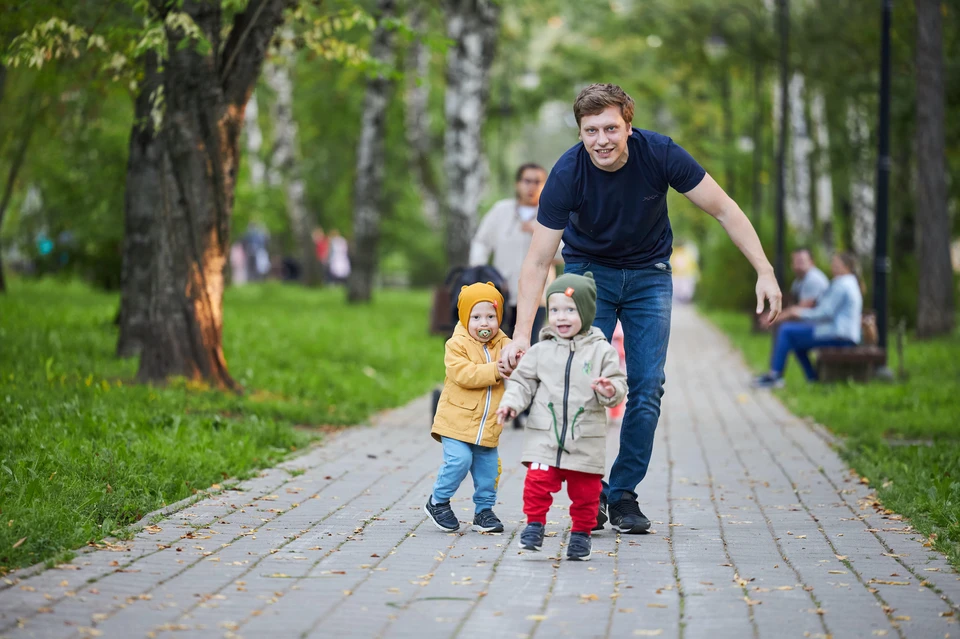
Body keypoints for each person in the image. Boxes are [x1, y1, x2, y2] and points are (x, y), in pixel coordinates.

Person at [499, 83, 782, 534]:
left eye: (611, 128)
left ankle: (622, 494)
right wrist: (520, 336)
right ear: (580, 133)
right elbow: (536, 262)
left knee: (647, 385)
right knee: (578, 380)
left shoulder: (660, 154)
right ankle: (588, 489)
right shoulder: (568, 172)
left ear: (629, 125)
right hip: (589, 273)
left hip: (650, 274)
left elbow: (725, 210)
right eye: (590, 131)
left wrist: (764, 270)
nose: (601, 140)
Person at [496, 272, 627, 561]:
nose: (560, 317)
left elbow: (618, 386)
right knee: (536, 484)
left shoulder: (602, 352)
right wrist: (510, 404)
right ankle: (534, 525)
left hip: (585, 437)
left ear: (586, 312)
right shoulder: (540, 351)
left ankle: (581, 534)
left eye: (570, 310)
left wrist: (608, 389)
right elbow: (522, 383)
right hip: (545, 434)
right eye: (554, 310)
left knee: (586, 495)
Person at [425, 282, 512, 534]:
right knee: (459, 461)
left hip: (487, 424)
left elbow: (517, 359)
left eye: (490, 317)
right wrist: (496, 369)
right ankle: (438, 501)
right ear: (464, 318)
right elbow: (464, 374)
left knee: (489, 470)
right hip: (455, 421)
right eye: (476, 317)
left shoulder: (503, 344)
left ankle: (484, 511)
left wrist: (520, 359)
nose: (484, 323)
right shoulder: (456, 345)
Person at [470, 163, 562, 341]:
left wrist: (539, 232)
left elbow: (564, 253)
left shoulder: (552, 214)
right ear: (517, 184)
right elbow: (481, 242)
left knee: (531, 345)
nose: (532, 187)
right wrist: (478, 271)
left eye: (538, 181)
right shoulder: (500, 211)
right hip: (501, 293)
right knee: (499, 343)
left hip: (538, 296)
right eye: (527, 181)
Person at [753, 252, 863, 388]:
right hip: (841, 333)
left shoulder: (842, 284)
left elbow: (825, 313)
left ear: (846, 267)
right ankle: (812, 378)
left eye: (836, 264)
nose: (832, 267)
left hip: (839, 335)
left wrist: (798, 313)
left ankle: (775, 376)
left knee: (786, 331)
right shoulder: (848, 282)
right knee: (794, 339)